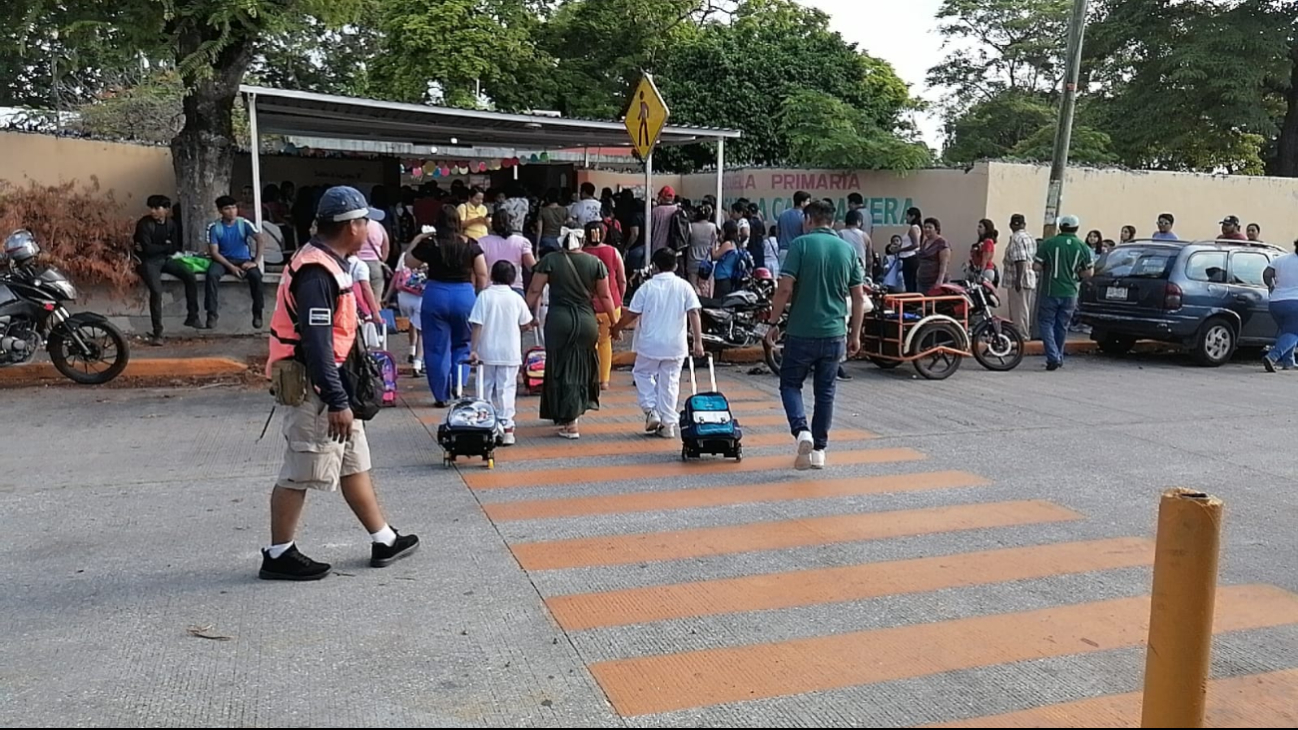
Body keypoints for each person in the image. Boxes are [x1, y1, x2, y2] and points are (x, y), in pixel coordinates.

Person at [260, 185, 419, 581]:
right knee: (301, 469)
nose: (369, 229)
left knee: (353, 464)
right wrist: (335, 400)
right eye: (365, 222)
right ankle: (279, 554)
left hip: (334, 387)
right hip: (318, 389)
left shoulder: (330, 262)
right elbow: (316, 344)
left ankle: (383, 538)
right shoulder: (316, 272)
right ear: (351, 227)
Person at [765, 199, 866, 470]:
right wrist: (854, 333)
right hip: (834, 333)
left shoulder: (800, 245)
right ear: (832, 221)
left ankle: (802, 431)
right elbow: (858, 297)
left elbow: (784, 289)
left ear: (809, 220)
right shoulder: (847, 250)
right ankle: (819, 450)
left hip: (800, 332)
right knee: (826, 393)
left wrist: (773, 323)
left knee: (790, 384)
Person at [524, 228, 617, 439]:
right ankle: (572, 414)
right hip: (587, 322)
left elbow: (534, 291)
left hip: (559, 321)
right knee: (581, 366)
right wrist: (615, 323)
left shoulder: (550, 260)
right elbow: (605, 296)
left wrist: (523, 316)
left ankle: (569, 420)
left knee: (561, 366)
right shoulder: (595, 263)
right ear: (582, 241)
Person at [610, 247, 705, 438]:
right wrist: (698, 342)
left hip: (650, 344)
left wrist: (617, 328)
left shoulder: (647, 288)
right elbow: (694, 312)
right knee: (670, 382)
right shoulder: (684, 286)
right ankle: (668, 424)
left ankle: (651, 410)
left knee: (642, 373)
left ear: (654, 266)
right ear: (676, 265)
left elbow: (632, 313)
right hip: (676, 345)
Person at [407, 206, 489, 407]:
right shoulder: (471, 244)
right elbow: (482, 273)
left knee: (435, 348)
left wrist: (417, 239)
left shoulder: (430, 243)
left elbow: (409, 263)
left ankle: (440, 395)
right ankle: (458, 385)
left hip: (436, 295)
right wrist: (478, 294)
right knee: (463, 344)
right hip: (464, 295)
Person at [469, 261, 535, 445]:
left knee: (484, 388)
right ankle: (507, 429)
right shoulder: (515, 298)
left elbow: (477, 324)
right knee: (506, 389)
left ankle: (484, 424)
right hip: (509, 352)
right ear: (513, 278)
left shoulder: (484, 296)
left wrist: (473, 349)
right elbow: (525, 323)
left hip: (486, 351)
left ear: (491, 276)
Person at [133, 195, 201, 344]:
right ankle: (158, 332)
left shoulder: (171, 224)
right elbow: (147, 249)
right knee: (156, 291)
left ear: (166, 210)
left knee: (189, 275)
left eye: (157, 208)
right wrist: (165, 246)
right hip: (147, 262)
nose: (153, 211)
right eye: (151, 208)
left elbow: (175, 247)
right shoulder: (144, 224)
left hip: (165, 259)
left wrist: (163, 248)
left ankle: (193, 316)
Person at [1034, 214, 1094, 371]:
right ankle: (1058, 356)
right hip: (1070, 291)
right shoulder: (1082, 246)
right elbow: (1089, 272)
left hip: (1050, 290)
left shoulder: (1049, 243)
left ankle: (1052, 356)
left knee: (1046, 322)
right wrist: (1076, 275)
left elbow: (1036, 267)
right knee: (1062, 325)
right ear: (1076, 228)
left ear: (1060, 227)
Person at [206, 194, 265, 330]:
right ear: (220, 211)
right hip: (223, 261)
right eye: (227, 208)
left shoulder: (243, 223)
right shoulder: (214, 227)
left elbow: (260, 239)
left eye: (234, 207)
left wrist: (255, 262)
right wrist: (231, 267)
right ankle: (212, 313)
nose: (232, 211)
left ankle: (258, 313)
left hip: (243, 259)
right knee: (212, 275)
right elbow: (214, 252)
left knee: (256, 276)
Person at [582, 222, 627, 391]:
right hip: (611, 304)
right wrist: (620, 299)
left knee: (589, 343)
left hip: (587, 306)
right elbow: (622, 279)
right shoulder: (613, 252)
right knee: (605, 342)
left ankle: (590, 378)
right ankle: (604, 381)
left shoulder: (581, 254)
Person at [478, 214, 536, 296]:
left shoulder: (482, 242)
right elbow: (532, 267)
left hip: (489, 288)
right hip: (515, 287)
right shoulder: (522, 242)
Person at [1262, 240, 1298, 372]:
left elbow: (1266, 274)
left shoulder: (1281, 259)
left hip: (1275, 302)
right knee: (1294, 332)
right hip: (1295, 303)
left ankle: (1289, 361)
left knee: (1287, 331)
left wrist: (1271, 286)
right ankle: (1272, 357)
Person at [1005, 213, 1038, 340]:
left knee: (1018, 308)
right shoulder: (1029, 237)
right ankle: (1021, 332)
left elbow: (1020, 260)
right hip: (1029, 276)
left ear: (1010, 225)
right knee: (1024, 307)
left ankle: (1020, 334)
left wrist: (1018, 280)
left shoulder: (1016, 238)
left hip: (1018, 278)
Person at [916, 217, 950, 293]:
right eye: (925, 227)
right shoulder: (925, 242)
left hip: (934, 281)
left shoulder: (942, 243)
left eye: (930, 227)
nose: (927, 229)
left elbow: (944, 263)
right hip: (922, 281)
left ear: (936, 229)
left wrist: (939, 281)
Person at [899, 207, 923, 292]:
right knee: (910, 282)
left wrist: (900, 250)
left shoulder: (913, 228)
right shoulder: (916, 228)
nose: (906, 218)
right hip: (909, 258)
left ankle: (911, 303)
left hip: (910, 258)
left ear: (913, 216)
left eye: (907, 216)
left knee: (910, 283)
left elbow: (916, 244)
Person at [971, 219, 998, 284]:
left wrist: (981, 274)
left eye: (980, 227)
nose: (978, 229)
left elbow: (985, 259)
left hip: (986, 270)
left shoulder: (988, 242)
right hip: (979, 270)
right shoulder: (982, 242)